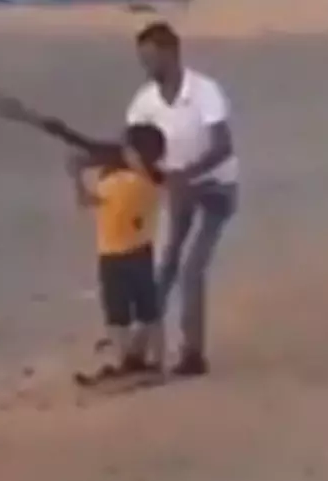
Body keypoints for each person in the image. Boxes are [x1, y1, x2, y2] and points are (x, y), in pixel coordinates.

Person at [0, 89, 167, 379]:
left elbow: (108, 179)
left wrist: (86, 170)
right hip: (124, 252)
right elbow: (86, 154)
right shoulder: (132, 172)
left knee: (136, 312)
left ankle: (142, 361)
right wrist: (81, 174)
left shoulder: (139, 180)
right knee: (131, 312)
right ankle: (139, 361)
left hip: (127, 253)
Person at [126, 21, 240, 377]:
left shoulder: (205, 91)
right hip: (177, 191)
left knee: (191, 269)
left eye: (151, 59)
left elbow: (223, 146)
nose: (147, 67)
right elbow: (132, 145)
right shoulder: (145, 101)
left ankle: (193, 355)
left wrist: (186, 175)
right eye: (142, 60)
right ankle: (141, 351)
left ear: (171, 54)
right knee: (163, 267)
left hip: (215, 190)